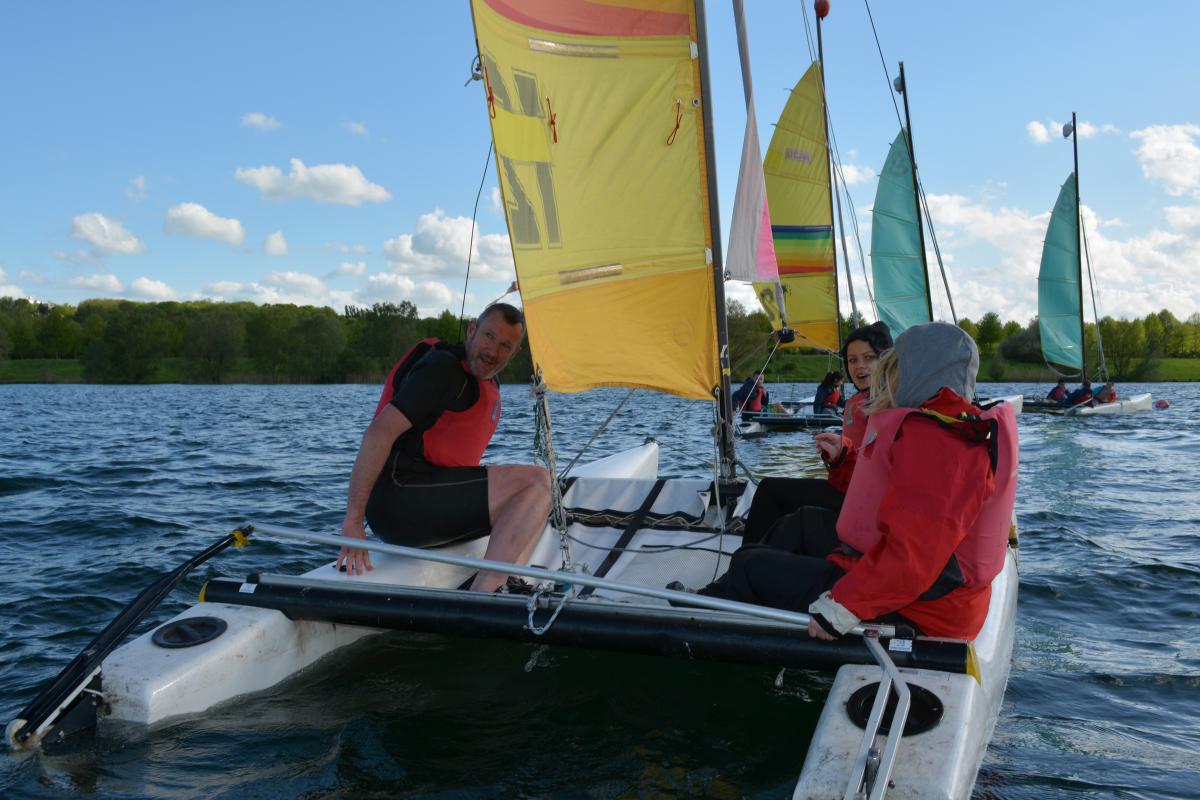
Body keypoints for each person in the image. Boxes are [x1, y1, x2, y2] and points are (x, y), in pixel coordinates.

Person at [689, 322, 1018, 642]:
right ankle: (735, 595)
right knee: (801, 523)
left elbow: (915, 555)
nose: (886, 376)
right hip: (908, 583)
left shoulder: (941, 443)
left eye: (894, 366)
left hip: (921, 609)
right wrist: (844, 459)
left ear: (920, 370)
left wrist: (843, 606)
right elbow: (885, 490)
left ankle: (704, 616)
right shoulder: (939, 423)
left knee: (750, 566)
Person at [336, 303, 551, 593]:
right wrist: (353, 521)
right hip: (398, 501)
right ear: (472, 329)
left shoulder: (481, 380)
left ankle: (507, 582)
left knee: (542, 493)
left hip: (424, 498)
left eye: (505, 346)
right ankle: (487, 593)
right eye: (489, 336)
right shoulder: (442, 369)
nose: (493, 351)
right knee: (537, 481)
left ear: (515, 353)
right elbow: (377, 434)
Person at [740, 321, 893, 544]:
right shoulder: (856, 403)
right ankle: (754, 556)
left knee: (770, 492)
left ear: (886, 359)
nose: (860, 366)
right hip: (850, 492)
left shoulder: (892, 404)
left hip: (868, 504)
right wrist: (837, 457)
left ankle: (749, 558)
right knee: (770, 490)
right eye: (852, 360)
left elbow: (881, 470)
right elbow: (853, 469)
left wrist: (843, 456)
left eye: (869, 358)